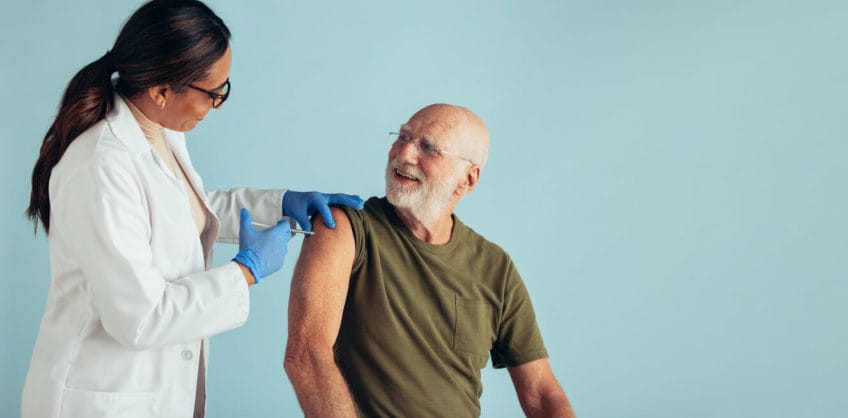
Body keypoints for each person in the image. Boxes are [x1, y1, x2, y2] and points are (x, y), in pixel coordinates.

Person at [21, 1, 362, 417]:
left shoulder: (157, 130)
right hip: (100, 398)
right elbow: (140, 317)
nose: (218, 104)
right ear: (162, 91)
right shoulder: (101, 166)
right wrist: (245, 271)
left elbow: (181, 209)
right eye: (213, 94)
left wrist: (281, 204)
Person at [284, 103, 574, 417]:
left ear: (467, 179)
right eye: (403, 137)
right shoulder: (345, 229)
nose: (403, 153)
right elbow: (307, 356)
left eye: (428, 148)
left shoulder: (495, 268)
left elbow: (541, 393)